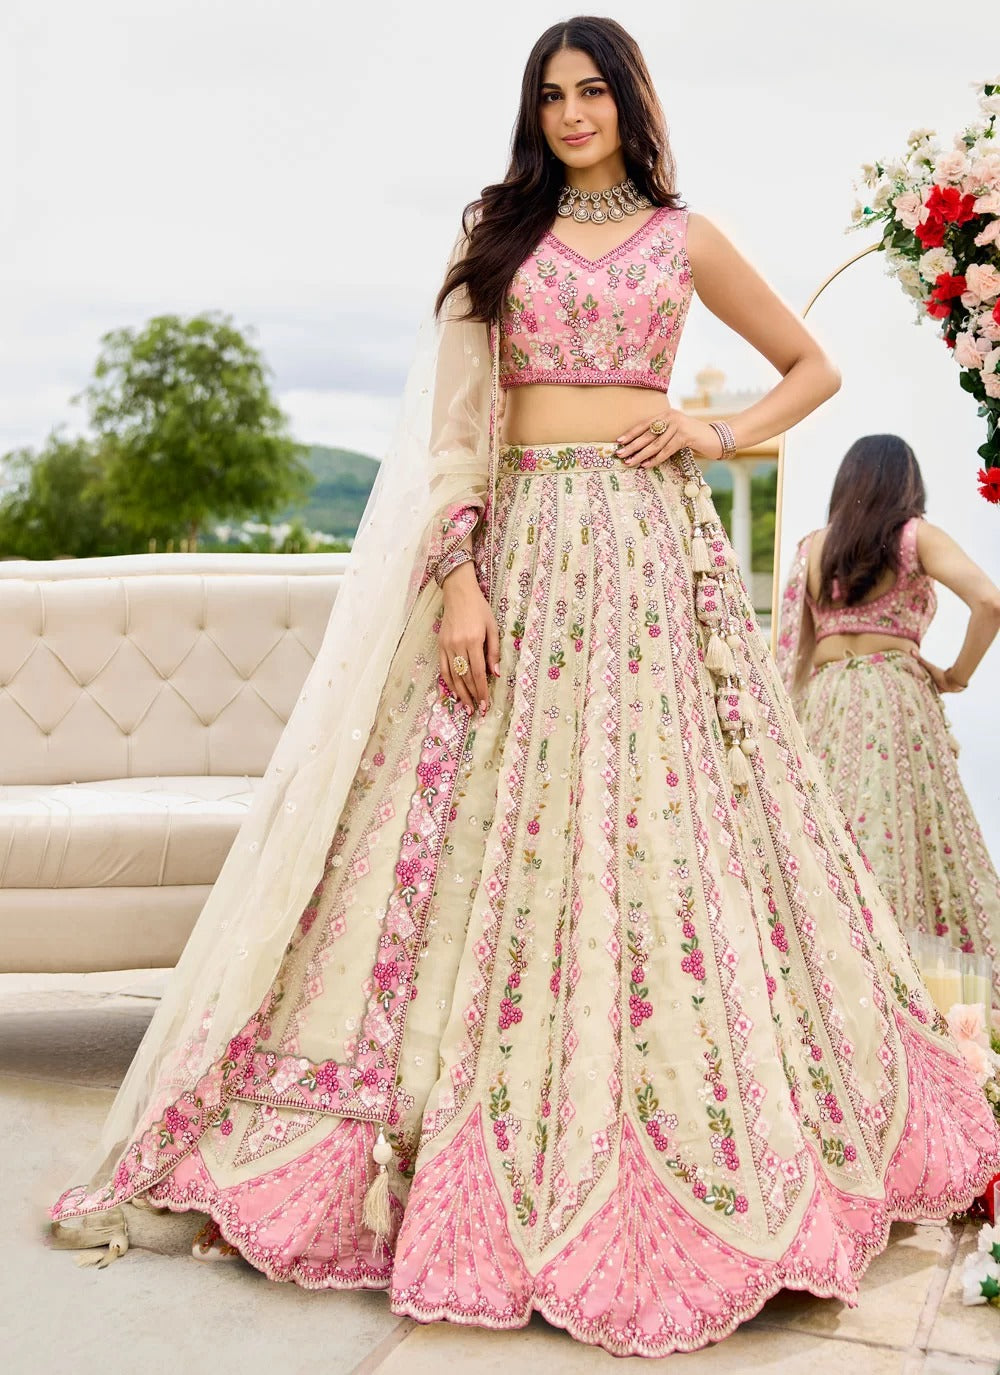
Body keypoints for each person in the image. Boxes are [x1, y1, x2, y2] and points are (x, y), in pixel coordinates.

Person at [50, 19, 999, 1359]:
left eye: (592, 90)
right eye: (550, 94)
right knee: (476, 829)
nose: (571, 113)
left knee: (668, 831)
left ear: (630, 101)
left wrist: (713, 428)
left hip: (653, 557)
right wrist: (458, 577)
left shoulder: (685, 237)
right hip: (520, 554)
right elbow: (459, 431)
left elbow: (813, 367)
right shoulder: (494, 233)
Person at [778, 433, 1000, 990]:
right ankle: (905, 990)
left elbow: (790, 654)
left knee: (829, 845)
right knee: (904, 843)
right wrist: (956, 675)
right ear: (907, 484)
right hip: (892, 702)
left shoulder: (812, 549)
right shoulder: (914, 535)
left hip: (824, 705)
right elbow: (990, 601)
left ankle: (835, 986)